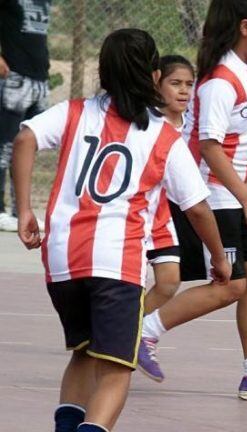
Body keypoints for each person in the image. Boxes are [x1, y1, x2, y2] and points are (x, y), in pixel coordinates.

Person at [11, 29, 230, 432]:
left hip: (61, 261)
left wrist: (25, 209)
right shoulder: (163, 134)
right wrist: (218, 257)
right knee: (114, 371)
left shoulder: (75, 111)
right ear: (153, 76)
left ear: (103, 71)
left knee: (84, 354)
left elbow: (25, 138)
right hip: (116, 264)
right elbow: (197, 208)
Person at [137, 0, 247, 402]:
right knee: (231, 285)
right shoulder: (219, 80)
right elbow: (208, 145)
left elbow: (246, 118)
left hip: (230, 194)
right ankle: (143, 333)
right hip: (213, 195)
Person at [143, 55, 196, 318]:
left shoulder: (192, 124)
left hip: (169, 214)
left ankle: (126, 331)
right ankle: (116, 334)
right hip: (140, 211)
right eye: (176, 83)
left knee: (168, 282)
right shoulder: (147, 124)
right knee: (128, 284)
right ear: (156, 84)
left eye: (189, 83)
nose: (184, 90)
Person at [0, 0, 52, 231]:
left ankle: (19, 212)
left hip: (39, 79)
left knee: (27, 149)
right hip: (14, 77)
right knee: (4, 147)